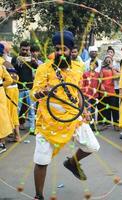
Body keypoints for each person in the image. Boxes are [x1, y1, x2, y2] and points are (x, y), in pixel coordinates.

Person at [31, 30, 99, 200]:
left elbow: (78, 91)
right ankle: (38, 195)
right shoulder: (44, 68)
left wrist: (84, 108)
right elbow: (34, 94)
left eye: (64, 49)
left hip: (73, 117)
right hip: (48, 120)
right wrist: (42, 93)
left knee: (92, 146)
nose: (60, 52)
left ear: (71, 50)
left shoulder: (78, 67)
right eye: (57, 49)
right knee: (41, 160)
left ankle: (72, 162)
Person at [12, 41, 38, 134]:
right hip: (19, 88)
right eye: (23, 49)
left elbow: (37, 68)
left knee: (31, 110)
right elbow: (12, 71)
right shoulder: (16, 58)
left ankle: (32, 129)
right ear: (20, 49)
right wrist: (18, 63)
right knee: (16, 110)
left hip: (29, 87)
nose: (25, 52)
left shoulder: (32, 58)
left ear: (29, 49)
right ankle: (14, 131)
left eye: (27, 50)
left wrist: (34, 62)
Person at [0, 43, 13, 153]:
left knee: (2, 118)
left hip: (1, 96)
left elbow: (10, 80)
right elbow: (9, 80)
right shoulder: (3, 64)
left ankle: (2, 144)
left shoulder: (2, 64)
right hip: (1, 94)